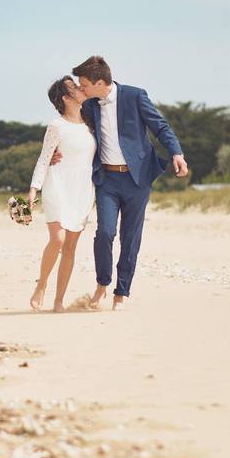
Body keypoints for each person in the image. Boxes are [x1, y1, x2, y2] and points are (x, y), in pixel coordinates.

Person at [49, 55, 188, 310]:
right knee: (105, 233)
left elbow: (161, 126)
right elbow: (73, 129)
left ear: (100, 82)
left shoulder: (134, 96)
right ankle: (102, 285)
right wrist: (54, 154)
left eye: (84, 85)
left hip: (138, 179)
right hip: (107, 180)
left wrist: (176, 153)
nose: (81, 89)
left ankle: (121, 292)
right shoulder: (90, 105)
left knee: (130, 237)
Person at [27, 76, 97, 312]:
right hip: (57, 183)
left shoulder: (91, 123)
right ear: (66, 98)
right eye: (74, 87)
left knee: (70, 248)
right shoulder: (56, 125)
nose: (80, 88)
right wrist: (33, 189)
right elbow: (45, 158)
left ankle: (59, 301)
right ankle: (42, 284)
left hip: (83, 189)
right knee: (58, 239)